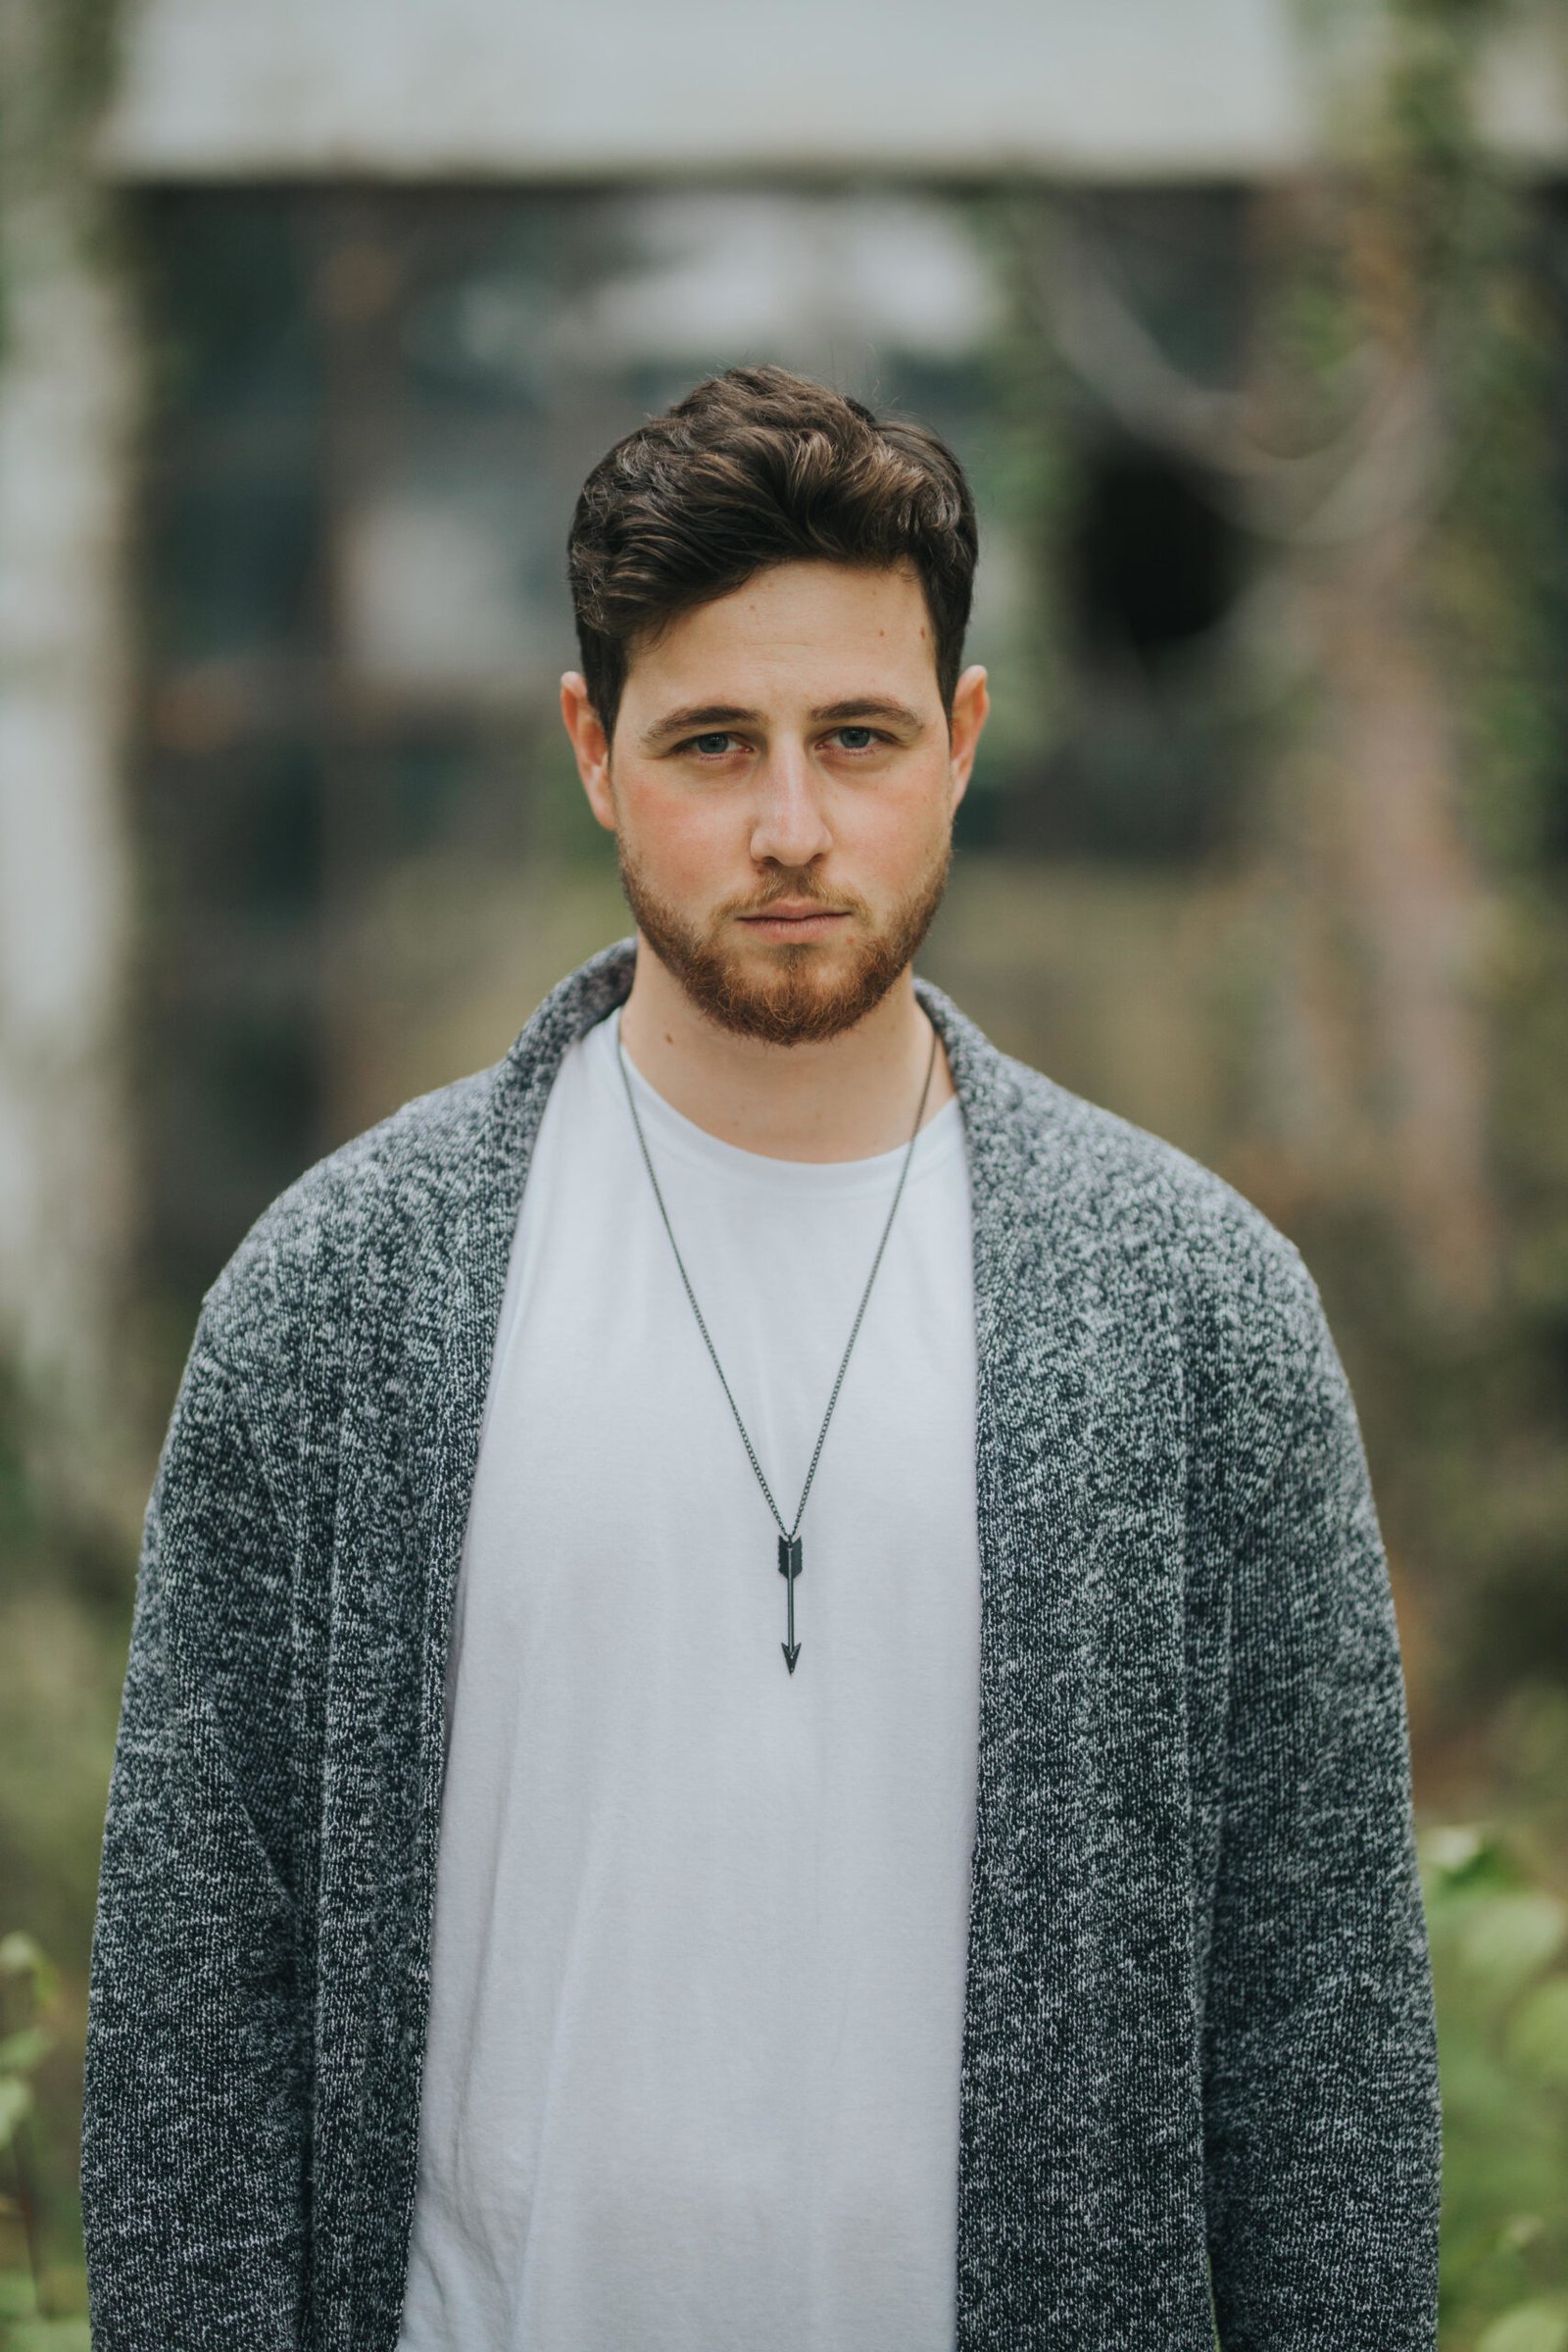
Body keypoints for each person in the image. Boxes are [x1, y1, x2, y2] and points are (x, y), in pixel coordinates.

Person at [81, 365, 1441, 2351]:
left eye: (857, 737)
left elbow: (1317, 2042)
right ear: (592, 749)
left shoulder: (1194, 1316)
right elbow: (202, 2013)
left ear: (960, 744)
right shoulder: (337, 1304)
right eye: (714, 741)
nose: (791, 824)